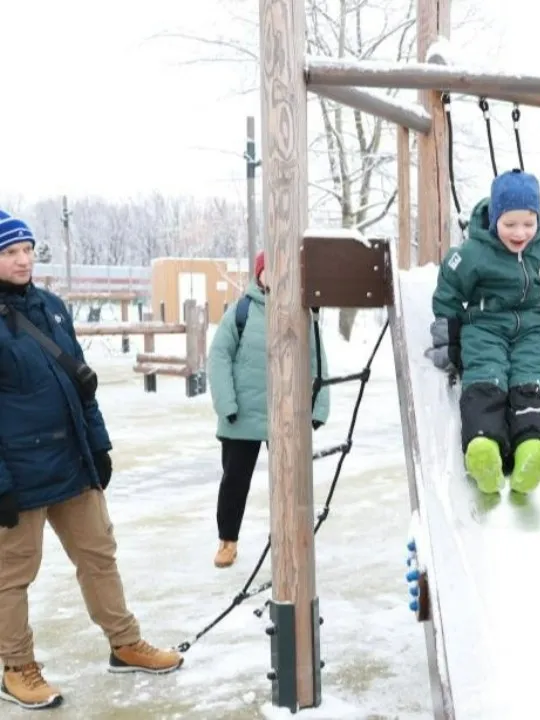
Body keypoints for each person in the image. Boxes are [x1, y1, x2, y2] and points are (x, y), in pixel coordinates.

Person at [0, 210, 182, 711]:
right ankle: (16, 667)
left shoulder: (52, 307)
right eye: (10, 252)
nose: (22, 260)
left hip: (72, 462)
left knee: (99, 556)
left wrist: (98, 445)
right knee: (12, 577)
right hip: (17, 474)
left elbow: (81, 382)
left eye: (27, 250)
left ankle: (125, 644)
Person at [425, 169, 540, 495]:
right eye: (509, 224)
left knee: (533, 375)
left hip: (533, 330)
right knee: (486, 375)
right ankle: (484, 448)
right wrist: (449, 339)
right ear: (494, 218)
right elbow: (449, 289)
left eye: (528, 223)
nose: (520, 233)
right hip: (483, 327)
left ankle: (531, 449)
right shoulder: (473, 252)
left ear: (538, 219)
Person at [207, 250, 331, 568]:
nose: (273, 277)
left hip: (285, 416)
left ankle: (292, 537)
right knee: (234, 481)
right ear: (259, 274)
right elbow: (219, 358)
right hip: (243, 416)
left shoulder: (300, 312)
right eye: (267, 271)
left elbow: (317, 360)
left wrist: (318, 408)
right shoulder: (241, 311)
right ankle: (227, 540)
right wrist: (226, 405)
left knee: (292, 481)